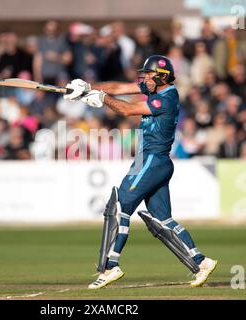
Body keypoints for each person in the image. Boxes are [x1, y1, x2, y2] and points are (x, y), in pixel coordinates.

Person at [64, 55, 218, 289]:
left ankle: (109, 266)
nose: (144, 78)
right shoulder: (153, 90)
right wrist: (87, 87)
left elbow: (126, 109)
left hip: (152, 160)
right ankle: (201, 262)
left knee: (119, 206)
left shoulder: (166, 98)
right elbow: (118, 87)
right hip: (147, 160)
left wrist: (102, 99)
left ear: (162, 77)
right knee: (161, 219)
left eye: (148, 74)